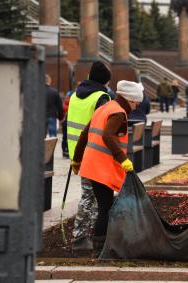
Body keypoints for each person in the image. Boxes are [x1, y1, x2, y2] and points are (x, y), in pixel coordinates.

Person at [71, 80, 144, 254]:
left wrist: (77, 159)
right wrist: (123, 159)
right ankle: (100, 248)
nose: (136, 107)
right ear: (129, 99)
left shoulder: (104, 108)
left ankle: (102, 244)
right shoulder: (118, 113)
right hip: (101, 168)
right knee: (105, 206)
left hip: (91, 165)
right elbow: (107, 136)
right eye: (136, 103)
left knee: (105, 205)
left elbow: (84, 134)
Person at [67, 61, 112, 251]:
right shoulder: (102, 97)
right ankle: (79, 238)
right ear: (105, 81)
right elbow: (103, 126)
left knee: (92, 194)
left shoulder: (76, 95)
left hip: (76, 150)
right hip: (93, 152)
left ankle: (92, 235)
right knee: (90, 195)